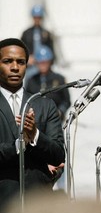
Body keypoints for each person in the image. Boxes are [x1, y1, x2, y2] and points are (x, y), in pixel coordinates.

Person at [0, 38, 65, 213]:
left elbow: (59, 154)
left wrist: (35, 135)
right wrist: (19, 144)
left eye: (21, 62)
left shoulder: (44, 104)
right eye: (7, 61)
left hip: (39, 210)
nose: (15, 67)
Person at [25, 44, 70, 191]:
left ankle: (61, 189)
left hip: (54, 125)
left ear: (50, 61)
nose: (43, 64)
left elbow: (66, 100)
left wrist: (60, 113)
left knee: (58, 156)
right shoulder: (31, 80)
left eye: (45, 61)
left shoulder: (59, 78)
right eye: (40, 62)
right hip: (36, 127)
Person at [21, 5, 55, 82]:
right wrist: (27, 58)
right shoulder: (26, 33)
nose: (37, 20)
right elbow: (20, 50)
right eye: (35, 17)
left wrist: (47, 62)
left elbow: (52, 52)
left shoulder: (47, 33)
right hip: (31, 66)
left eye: (39, 17)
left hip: (44, 65)